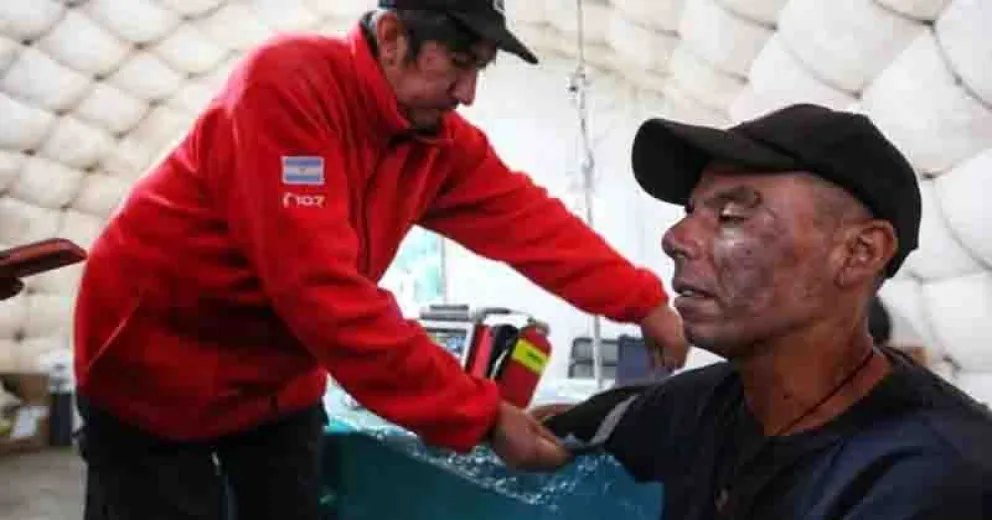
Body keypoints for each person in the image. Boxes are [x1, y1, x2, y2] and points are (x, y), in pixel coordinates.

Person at [71, 1, 688, 519]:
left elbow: (530, 223)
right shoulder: (288, 87)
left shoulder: (436, 142)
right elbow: (322, 294)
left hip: (275, 382)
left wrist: (643, 300)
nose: (468, 94)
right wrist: (483, 414)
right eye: (459, 64)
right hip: (156, 361)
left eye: (481, 71)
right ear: (392, 37)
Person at [528, 104, 992, 519]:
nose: (675, 238)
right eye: (690, 211)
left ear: (859, 252)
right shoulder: (699, 404)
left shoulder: (939, 479)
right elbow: (552, 429)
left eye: (731, 216)